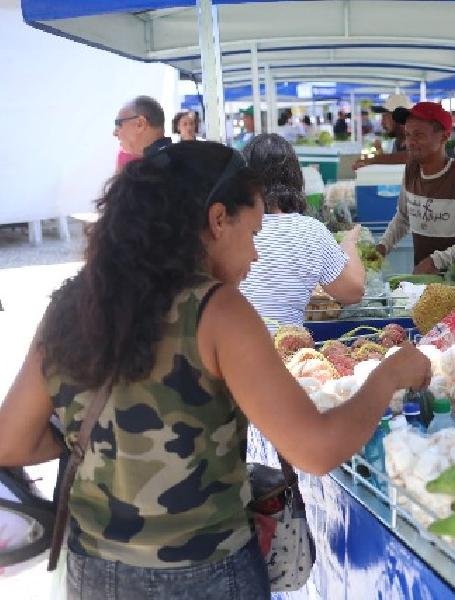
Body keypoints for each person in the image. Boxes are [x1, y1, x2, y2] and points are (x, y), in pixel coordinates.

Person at [0, 141, 430, 598]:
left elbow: (11, 440)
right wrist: (388, 376)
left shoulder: (72, 301)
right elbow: (316, 450)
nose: (256, 255)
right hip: (204, 572)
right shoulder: (218, 310)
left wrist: (108, 444)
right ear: (218, 219)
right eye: (253, 233)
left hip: (94, 571)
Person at [240, 133, 365, 330]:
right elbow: (353, 291)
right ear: (295, 176)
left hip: (233, 349)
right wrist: (349, 244)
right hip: (287, 352)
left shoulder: (231, 230)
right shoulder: (312, 231)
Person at [375, 102, 455, 274]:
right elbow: (403, 217)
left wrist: (436, 261)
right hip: (423, 281)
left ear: (444, 137)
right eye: (408, 134)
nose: (410, 142)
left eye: (418, 135)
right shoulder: (411, 170)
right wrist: (382, 246)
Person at [354, 94, 412, 169]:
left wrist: (373, 160)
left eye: (385, 117)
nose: (382, 123)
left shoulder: (416, 137)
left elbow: (411, 157)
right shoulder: (398, 141)